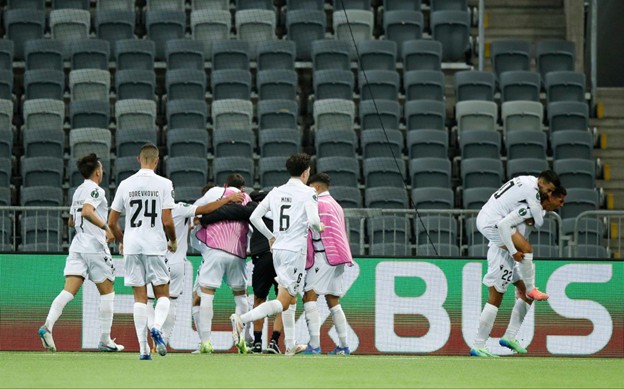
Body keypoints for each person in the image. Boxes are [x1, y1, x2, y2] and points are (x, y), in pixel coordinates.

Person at [230, 153, 324, 356]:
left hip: (278, 250)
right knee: (283, 300)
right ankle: (241, 320)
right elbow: (315, 221)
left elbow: (255, 216)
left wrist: (270, 237)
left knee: (290, 299)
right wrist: (320, 227)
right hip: (294, 252)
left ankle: (290, 345)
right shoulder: (309, 193)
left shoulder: (276, 191)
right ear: (306, 172)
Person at [39, 154, 123, 353]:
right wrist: (106, 228)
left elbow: (71, 221)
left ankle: (47, 326)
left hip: (77, 245)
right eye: (101, 168)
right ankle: (105, 339)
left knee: (68, 291)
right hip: (94, 246)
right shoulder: (96, 190)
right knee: (108, 292)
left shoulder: (78, 191)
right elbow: (86, 211)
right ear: (97, 171)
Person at [470, 186, 566, 357]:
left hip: (514, 256)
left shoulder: (539, 211)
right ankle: (478, 345)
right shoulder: (526, 207)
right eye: (560, 200)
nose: (562, 205)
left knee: (526, 295)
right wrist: (513, 250)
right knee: (495, 297)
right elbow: (503, 225)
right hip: (503, 253)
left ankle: (509, 337)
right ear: (551, 197)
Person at [145, 189, 245, 351]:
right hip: (176, 262)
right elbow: (205, 210)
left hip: (154, 261)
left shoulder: (148, 211)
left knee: (147, 301)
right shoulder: (179, 208)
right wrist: (229, 199)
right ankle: (162, 340)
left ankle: (152, 330)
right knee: (171, 302)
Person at [108, 143, 177, 360]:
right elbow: (167, 220)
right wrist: (172, 240)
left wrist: (122, 241)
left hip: (132, 246)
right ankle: (156, 326)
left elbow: (111, 222)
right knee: (162, 294)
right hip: (154, 245)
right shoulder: (165, 184)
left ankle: (143, 350)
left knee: (139, 298)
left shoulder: (125, 184)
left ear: (139, 159)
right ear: (156, 161)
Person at [198, 190, 284, 354]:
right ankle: (271, 341)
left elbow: (229, 212)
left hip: (261, 254)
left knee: (258, 298)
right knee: (282, 299)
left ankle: (255, 342)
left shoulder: (254, 208)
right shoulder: (284, 206)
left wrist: (205, 218)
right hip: (283, 255)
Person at [476, 171, 560, 302]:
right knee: (525, 249)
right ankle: (530, 289)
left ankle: (523, 287)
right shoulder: (533, 191)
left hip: (485, 216)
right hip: (492, 223)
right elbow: (539, 222)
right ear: (541, 182)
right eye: (549, 190)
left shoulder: (526, 180)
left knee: (519, 256)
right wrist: (513, 251)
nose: (549, 194)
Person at [193, 174, 252, 354]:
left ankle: (206, 342)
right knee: (241, 296)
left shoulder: (214, 192)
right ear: (242, 188)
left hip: (215, 249)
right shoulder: (247, 199)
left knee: (207, 294)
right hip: (237, 252)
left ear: (225, 185)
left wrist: (203, 219)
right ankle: (242, 339)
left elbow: (196, 209)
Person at [302, 173, 354, 356]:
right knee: (333, 301)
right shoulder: (336, 204)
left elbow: (315, 230)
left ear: (315, 188)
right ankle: (344, 346)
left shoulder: (319, 204)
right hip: (338, 257)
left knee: (309, 297)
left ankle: (314, 346)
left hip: (324, 256)